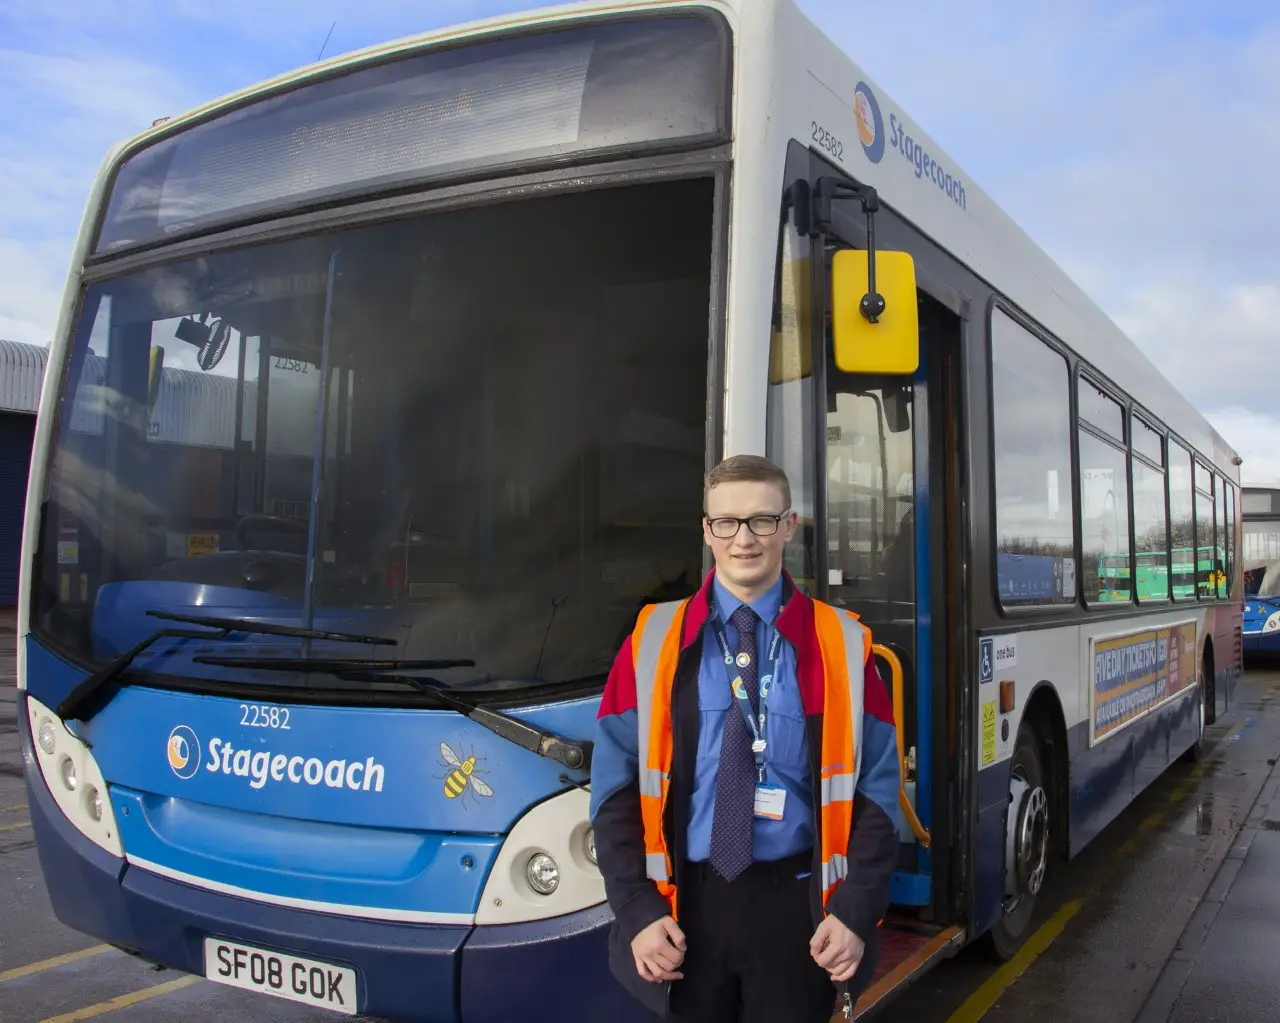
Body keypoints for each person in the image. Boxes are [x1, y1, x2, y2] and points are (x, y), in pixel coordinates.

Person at [589, 454, 902, 1022]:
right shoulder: (650, 641)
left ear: (789, 525)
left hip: (801, 915)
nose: (744, 539)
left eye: (762, 520)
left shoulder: (843, 644)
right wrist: (636, 909)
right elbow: (613, 791)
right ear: (707, 531)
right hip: (684, 914)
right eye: (726, 523)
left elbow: (879, 795)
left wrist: (854, 913)